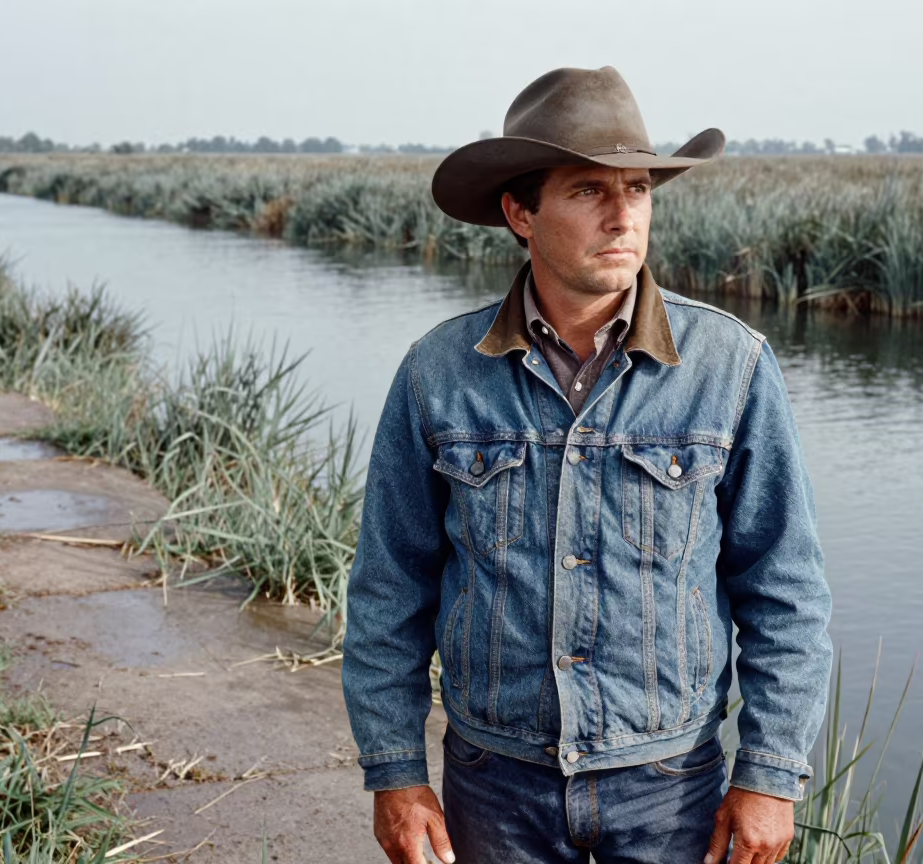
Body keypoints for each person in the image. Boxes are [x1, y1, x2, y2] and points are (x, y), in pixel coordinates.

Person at [342, 66, 832, 864]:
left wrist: (771, 773)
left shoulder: (730, 367)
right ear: (519, 213)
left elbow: (786, 590)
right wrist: (394, 773)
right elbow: (388, 590)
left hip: (670, 789)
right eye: (587, 191)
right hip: (492, 784)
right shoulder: (438, 373)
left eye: (638, 189)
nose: (622, 216)